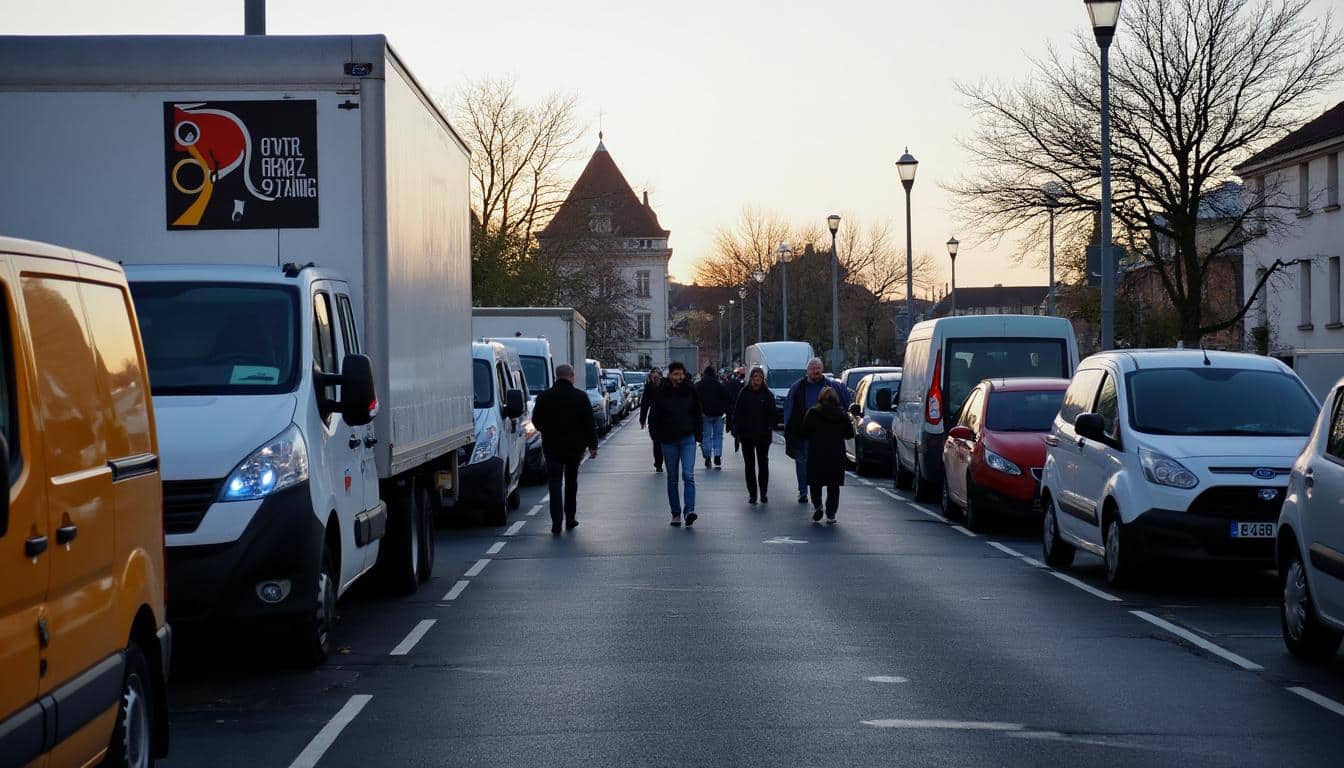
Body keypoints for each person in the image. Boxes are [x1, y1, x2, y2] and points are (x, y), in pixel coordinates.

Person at [531, 363, 599, 534]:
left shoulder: (544, 397)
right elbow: (589, 423)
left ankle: (556, 522)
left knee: (554, 483)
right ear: (571, 376)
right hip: (574, 448)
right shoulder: (580, 397)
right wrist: (592, 446)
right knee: (571, 482)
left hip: (552, 446)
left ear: (556, 376)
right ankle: (570, 517)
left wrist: (546, 430)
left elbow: (535, 420)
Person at [783, 358, 850, 504]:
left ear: (822, 368)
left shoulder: (832, 387)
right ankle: (803, 491)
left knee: (820, 466)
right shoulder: (798, 387)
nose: (816, 371)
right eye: (813, 368)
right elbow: (789, 408)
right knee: (802, 462)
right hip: (803, 431)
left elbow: (844, 406)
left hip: (825, 435)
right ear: (807, 371)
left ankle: (818, 496)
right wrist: (788, 427)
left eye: (818, 368)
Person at [648, 361, 703, 527]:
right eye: (676, 374)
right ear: (669, 375)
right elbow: (654, 416)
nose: (679, 377)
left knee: (688, 474)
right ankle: (676, 513)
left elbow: (697, 413)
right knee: (672, 478)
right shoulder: (661, 392)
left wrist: (698, 434)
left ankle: (689, 511)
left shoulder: (690, 390)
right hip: (668, 440)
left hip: (687, 438)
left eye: (681, 374)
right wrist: (656, 436)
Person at [801, 386, 855, 523]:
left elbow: (804, 432)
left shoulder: (813, 413)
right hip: (835, 454)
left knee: (815, 483)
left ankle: (818, 505)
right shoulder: (841, 415)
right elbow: (849, 434)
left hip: (817, 453)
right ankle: (831, 514)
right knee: (833, 486)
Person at [732, 366, 778, 504]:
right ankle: (752, 493)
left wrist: (770, 426)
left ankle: (763, 492)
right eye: (754, 377)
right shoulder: (744, 393)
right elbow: (737, 412)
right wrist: (736, 429)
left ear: (763, 379)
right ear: (750, 379)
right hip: (747, 435)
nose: (757, 380)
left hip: (763, 435)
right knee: (749, 465)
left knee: (763, 464)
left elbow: (773, 414)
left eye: (759, 377)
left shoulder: (767, 394)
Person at [694, 364, 731, 469]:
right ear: (714, 374)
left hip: (704, 415)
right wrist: (724, 411)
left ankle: (707, 457)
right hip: (718, 415)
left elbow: (694, 400)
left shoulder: (699, 385)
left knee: (706, 437)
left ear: (704, 374)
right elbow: (727, 399)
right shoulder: (719, 385)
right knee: (718, 436)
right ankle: (717, 455)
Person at [639, 367, 665, 472]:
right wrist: (642, 419)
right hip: (654, 418)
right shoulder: (649, 386)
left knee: (665, 441)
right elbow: (644, 403)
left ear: (660, 375)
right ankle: (658, 463)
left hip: (666, 418)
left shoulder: (666, 385)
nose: (655, 377)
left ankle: (663, 461)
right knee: (656, 441)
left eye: (656, 375)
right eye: (652, 375)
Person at [724, 366, 746, 454]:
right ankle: (736, 434)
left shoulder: (730, 382)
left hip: (732, 404)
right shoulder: (741, 383)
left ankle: (733, 431)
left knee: (733, 419)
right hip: (738, 404)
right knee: (737, 420)